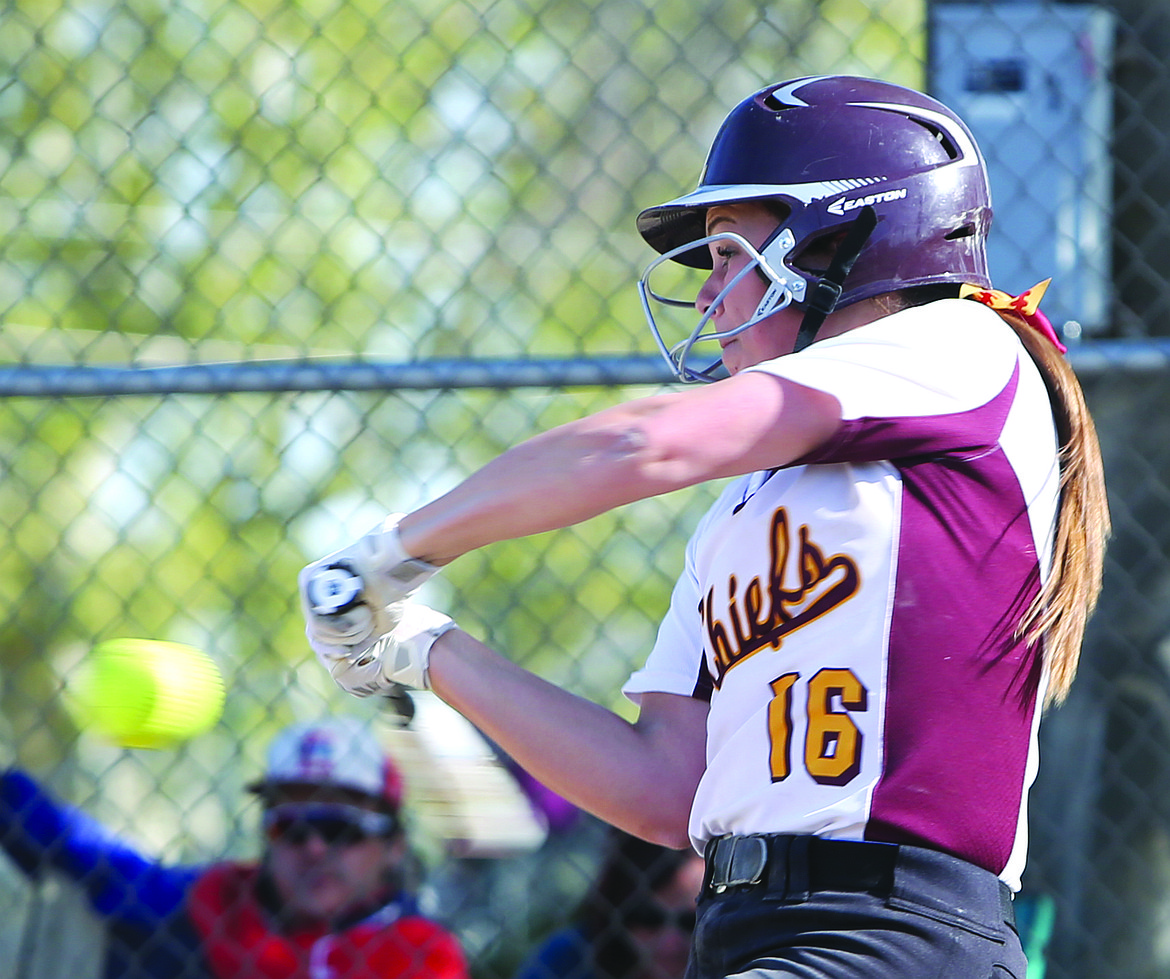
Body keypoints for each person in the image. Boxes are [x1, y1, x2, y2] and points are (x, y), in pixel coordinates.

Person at [297, 75, 1111, 979]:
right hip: (745, 936)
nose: (710, 289)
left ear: (840, 236)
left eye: (727, 250)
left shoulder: (955, 347)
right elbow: (665, 788)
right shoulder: (745, 509)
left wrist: (394, 548)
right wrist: (420, 644)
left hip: (896, 936)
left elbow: (643, 442)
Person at [0, 717, 469, 979]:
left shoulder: (419, 955)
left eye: (340, 829)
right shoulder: (217, 901)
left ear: (393, 845)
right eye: (290, 827)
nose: (313, 848)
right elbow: (95, 857)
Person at [513, 829, 706, 979]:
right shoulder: (569, 959)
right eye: (648, 919)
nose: (670, 943)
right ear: (616, 908)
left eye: (692, 922)